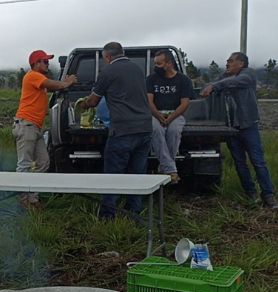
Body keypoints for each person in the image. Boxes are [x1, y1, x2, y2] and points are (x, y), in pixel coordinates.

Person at [80, 42, 152, 219]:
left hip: (122, 130)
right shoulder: (137, 70)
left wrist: (83, 103)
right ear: (123, 53)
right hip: (144, 128)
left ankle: (108, 215)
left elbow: (94, 101)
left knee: (113, 175)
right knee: (137, 174)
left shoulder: (108, 72)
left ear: (107, 57)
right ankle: (133, 213)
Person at [201, 52, 277, 209]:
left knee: (258, 161)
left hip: (248, 125)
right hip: (231, 128)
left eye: (230, 61)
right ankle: (251, 193)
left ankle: (268, 195)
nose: (227, 63)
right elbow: (211, 86)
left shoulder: (248, 74)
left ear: (241, 63)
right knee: (239, 162)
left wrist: (215, 86)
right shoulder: (225, 77)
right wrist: (211, 86)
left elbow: (234, 82)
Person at [14, 50, 77, 209]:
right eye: (45, 61)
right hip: (26, 125)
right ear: (35, 63)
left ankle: (33, 198)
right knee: (24, 165)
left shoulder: (38, 79)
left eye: (48, 62)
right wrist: (67, 82)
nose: (48, 64)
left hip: (35, 127)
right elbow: (55, 85)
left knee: (43, 162)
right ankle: (24, 201)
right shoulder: (33, 76)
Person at [147, 49, 193, 184]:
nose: (156, 67)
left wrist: (171, 117)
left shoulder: (183, 80)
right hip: (155, 113)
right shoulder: (151, 79)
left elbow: (184, 104)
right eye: (155, 63)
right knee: (155, 129)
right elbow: (149, 101)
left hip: (176, 114)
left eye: (159, 64)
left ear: (169, 63)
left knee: (174, 131)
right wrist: (158, 115)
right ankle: (171, 170)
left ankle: (164, 167)